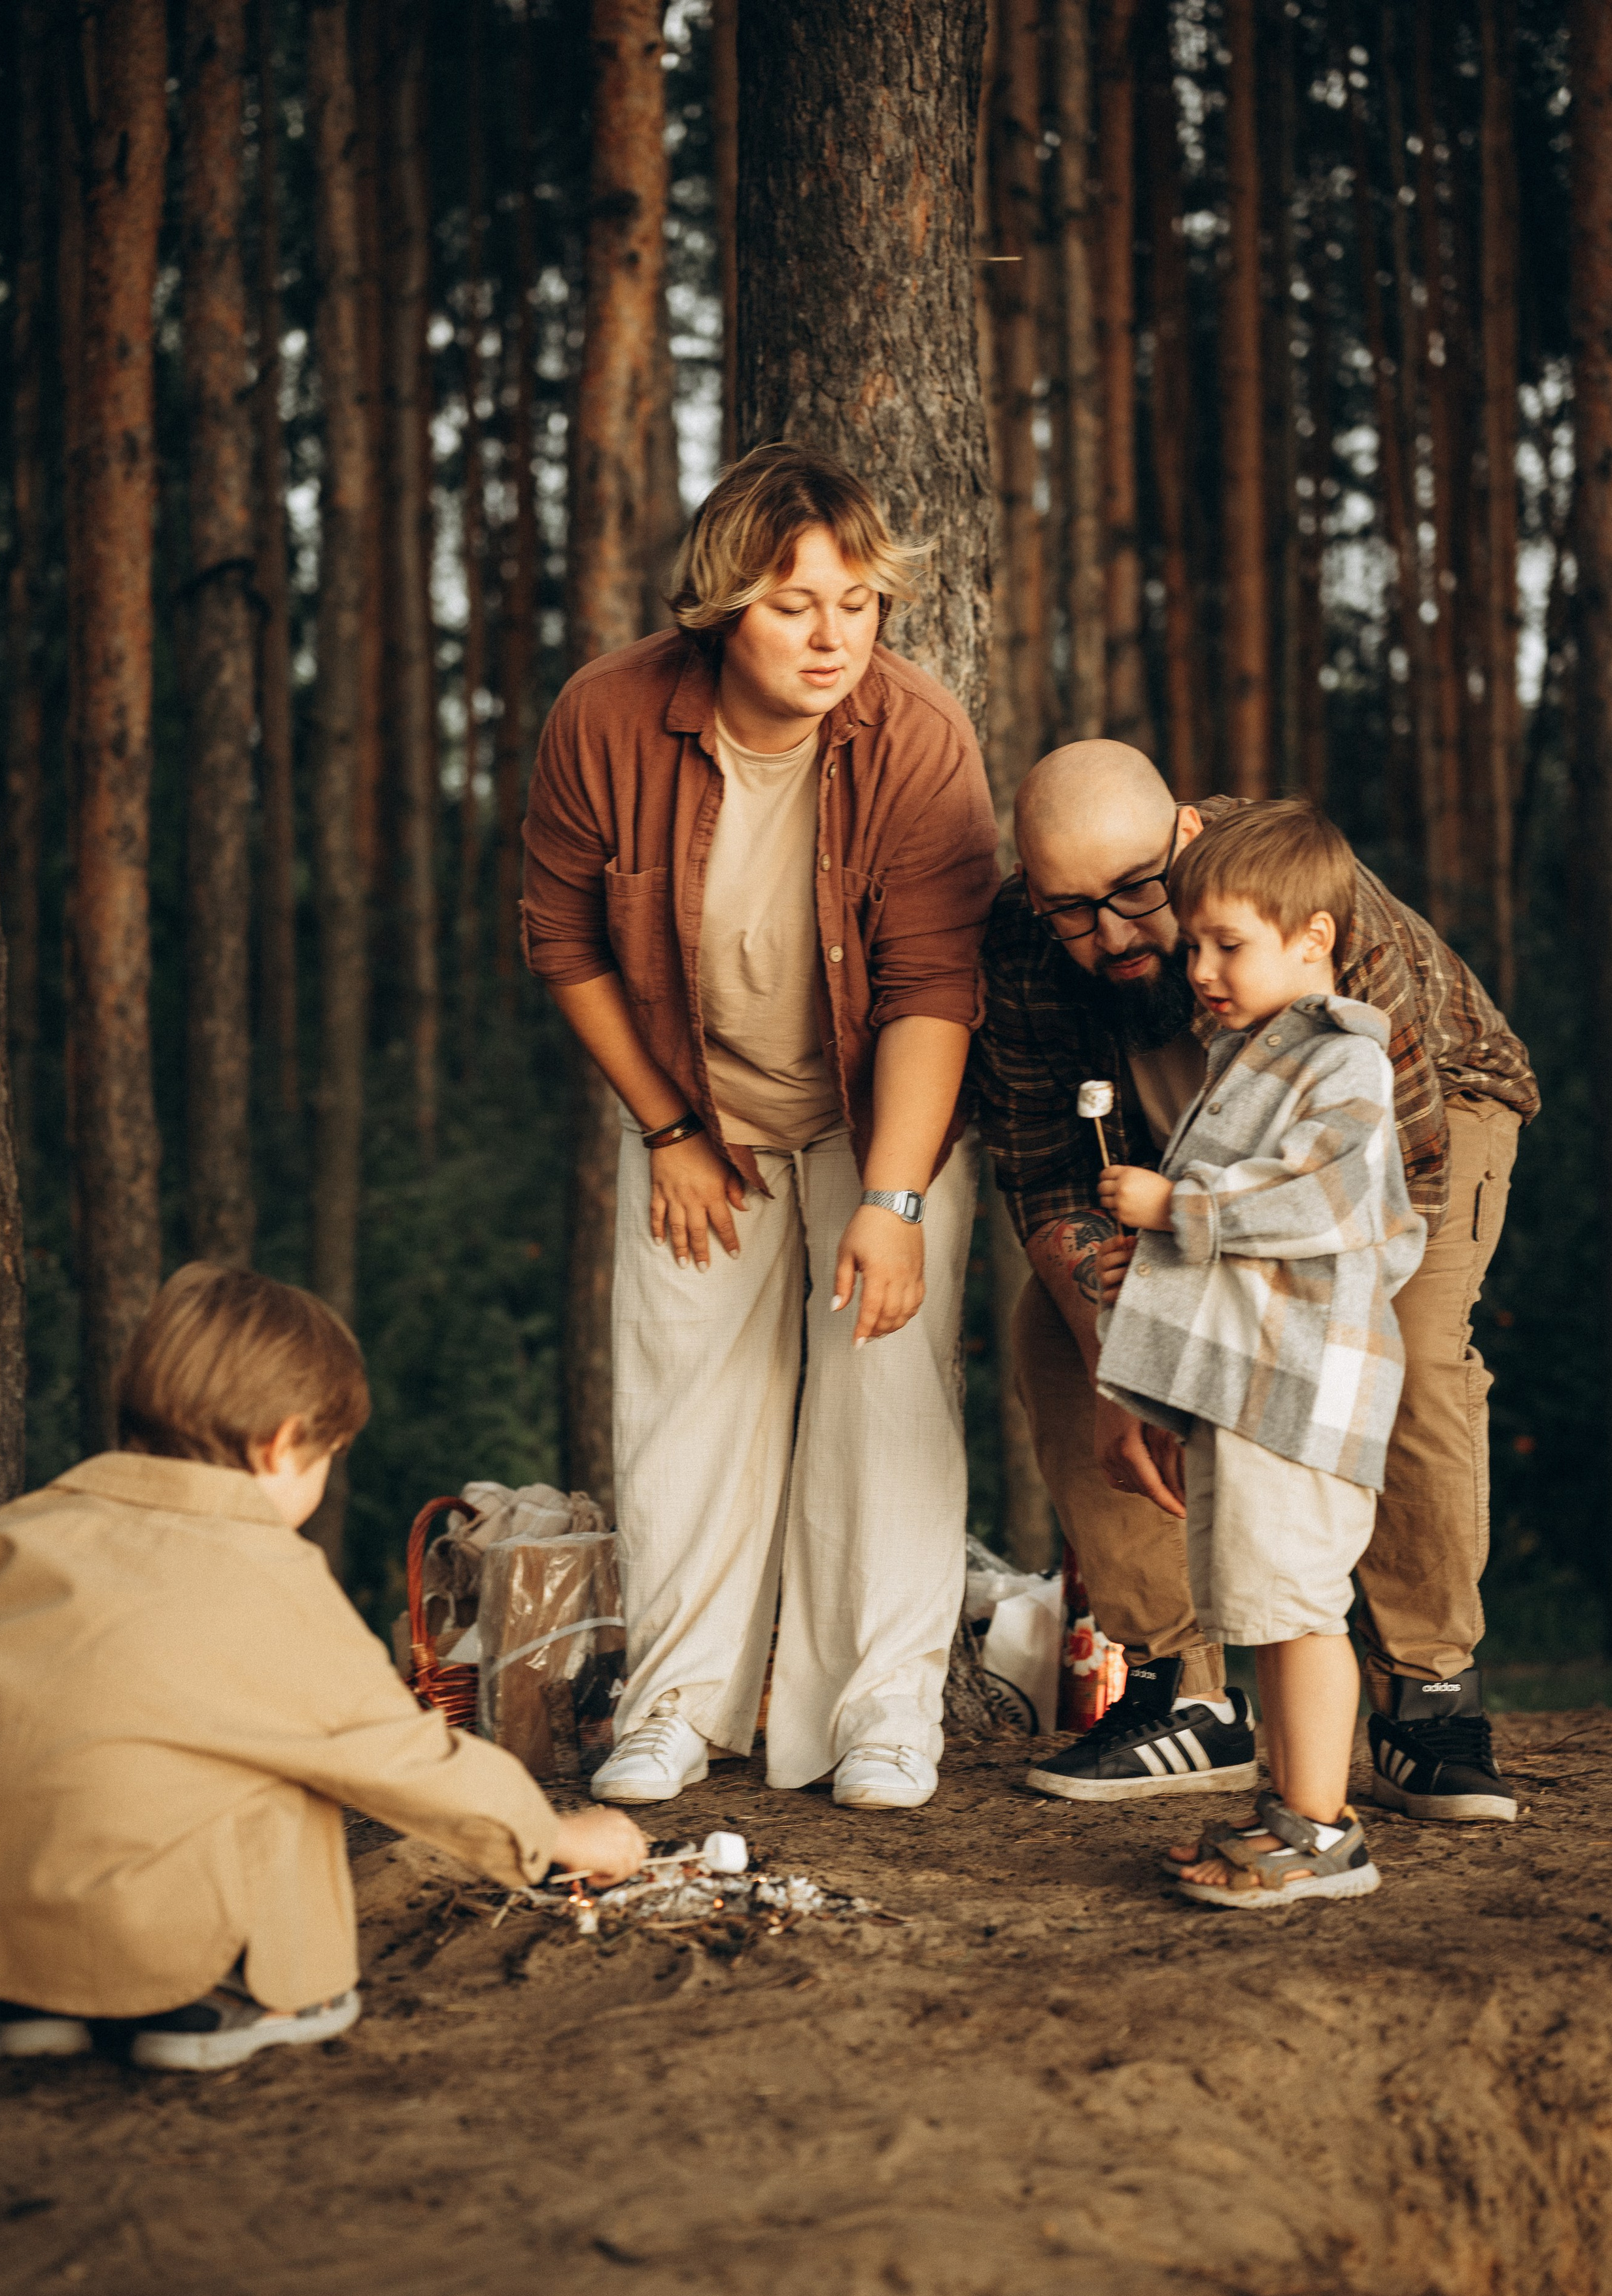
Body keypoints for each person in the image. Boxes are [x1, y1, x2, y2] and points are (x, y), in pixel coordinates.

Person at [523, 444, 997, 1812]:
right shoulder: (606, 717)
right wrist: (670, 1128)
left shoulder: (918, 735)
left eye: (858, 603)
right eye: (796, 605)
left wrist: (894, 1203)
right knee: (684, 1400)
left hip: (879, 1118)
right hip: (698, 1112)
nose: (833, 637)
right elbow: (562, 939)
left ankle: (881, 1716)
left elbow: (934, 988)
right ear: (724, 605)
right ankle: (676, 1707)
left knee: (886, 1399)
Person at [970, 745, 1537, 1819]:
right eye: (1071, 910)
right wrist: (1125, 1359)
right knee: (1057, 1339)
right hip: (1188, 1157)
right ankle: (1182, 1692)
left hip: (1411, 1128)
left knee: (1399, 1358)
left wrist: (1230, 1300)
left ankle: (1425, 1692)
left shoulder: (1294, 886)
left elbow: (1388, 1181)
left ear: (1186, 836)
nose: (1112, 936)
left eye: (1136, 893)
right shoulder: (1022, 941)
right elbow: (1045, 1171)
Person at [0, 1264, 645, 2071]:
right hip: (155, 1936)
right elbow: (396, 1752)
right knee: (291, 1762)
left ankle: (36, 2001)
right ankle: (234, 1992)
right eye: (327, 1456)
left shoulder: (18, 1531)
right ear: (282, 1443)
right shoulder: (266, 1575)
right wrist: (554, 1834)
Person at [1091, 803, 1425, 1904]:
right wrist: (1153, 1265)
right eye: (1193, 944)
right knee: (1265, 1609)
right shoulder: (1249, 1058)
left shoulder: (1344, 1061)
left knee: (1302, 1608)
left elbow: (1324, 1199)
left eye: (1228, 944)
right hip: (1254, 1391)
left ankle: (1327, 1837)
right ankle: (1290, 1808)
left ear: (1313, 938)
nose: (1200, 969)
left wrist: (1176, 1208)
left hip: (1304, 1393)